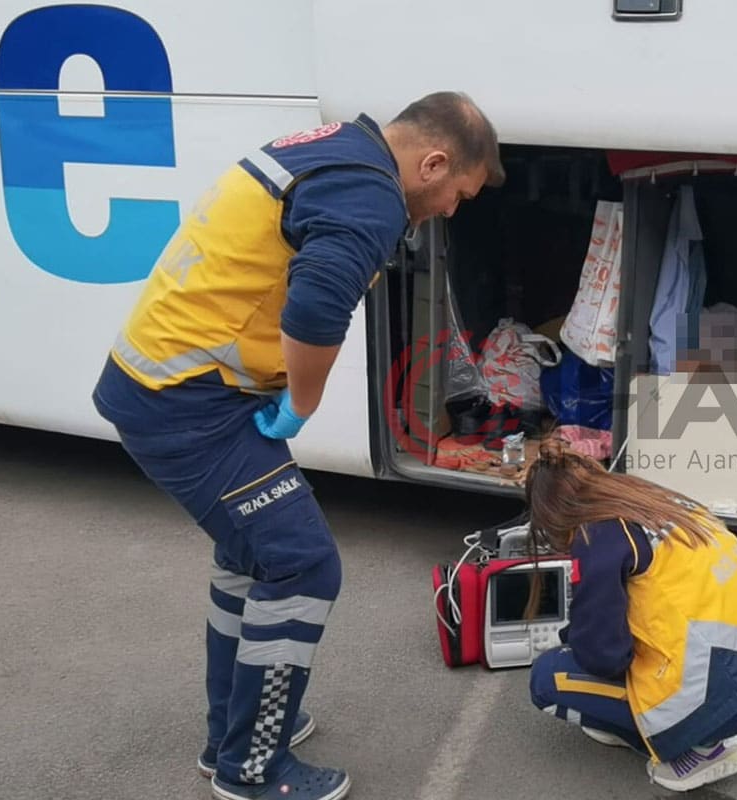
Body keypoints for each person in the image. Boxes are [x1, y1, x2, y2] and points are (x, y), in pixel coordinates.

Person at [91, 92, 505, 800]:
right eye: (456, 193)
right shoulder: (370, 193)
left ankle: (236, 731)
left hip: (169, 385)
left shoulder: (335, 147)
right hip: (190, 402)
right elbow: (314, 309)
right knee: (303, 564)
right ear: (432, 161)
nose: (450, 210)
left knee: (253, 556)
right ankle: (252, 768)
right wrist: (301, 406)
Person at [523, 439, 737, 793]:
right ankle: (681, 732)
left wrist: (572, 638)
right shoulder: (656, 504)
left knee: (547, 678)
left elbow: (604, 656)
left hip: (713, 693)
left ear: (553, 515)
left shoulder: (594, 535)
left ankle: (699, 748)